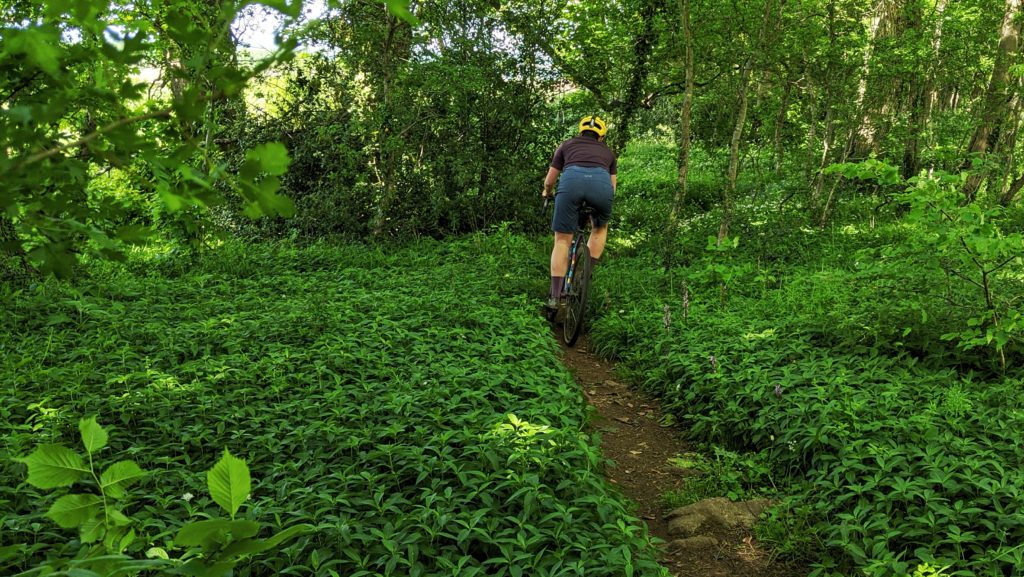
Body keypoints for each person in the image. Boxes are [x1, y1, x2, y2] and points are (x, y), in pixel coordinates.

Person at [542, 115, 617, 314]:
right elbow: (613, 187)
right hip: (601, 188)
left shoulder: (566, 145)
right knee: (599, 229)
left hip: (571, 185)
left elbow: (550, 180)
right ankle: (584, 275)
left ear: (580, 132)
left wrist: (547, 193)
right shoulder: (608, 153)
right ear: (601, 136)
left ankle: (555, 297)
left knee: (562, 241)